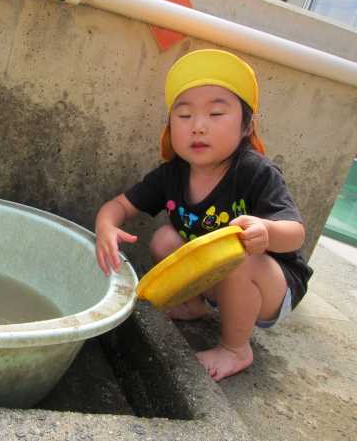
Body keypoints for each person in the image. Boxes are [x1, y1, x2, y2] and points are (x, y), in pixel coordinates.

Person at [94, 49, 313, 381]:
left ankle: (236, 349)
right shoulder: (172, 174)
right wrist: (106, 227)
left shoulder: (254, 172)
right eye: (184, 115)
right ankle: (194, 304)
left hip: (269, 286)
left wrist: (267, 231)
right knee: (165, 239)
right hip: (217, 277)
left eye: (216, 113)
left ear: (246, 126)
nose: (198, 126)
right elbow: (119, 206)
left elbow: (296, 233)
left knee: (240, 256)